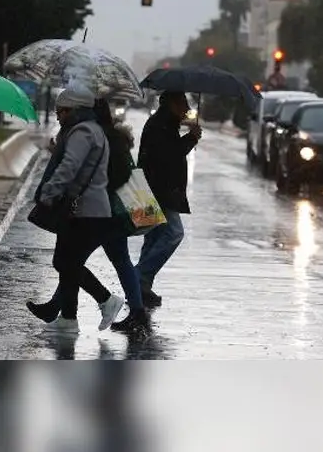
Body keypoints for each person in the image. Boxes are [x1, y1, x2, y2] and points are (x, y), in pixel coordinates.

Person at [27, 98, 150, 333]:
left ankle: (120, 307)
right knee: (80, 261)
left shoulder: (95, 136)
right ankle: (133, 311)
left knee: (71, 261)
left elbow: (99, 172)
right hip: (107, 212)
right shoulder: (104, 134)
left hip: (103, 213)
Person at [135, 91, 202, 307]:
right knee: (174, 233)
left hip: (154, 188)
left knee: (154, 237)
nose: (186, 108)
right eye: (183, 103)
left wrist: (189, 137)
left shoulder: (166, 123)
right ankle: (137, 277)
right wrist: (191, 138)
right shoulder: (160, 125)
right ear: (172, 104)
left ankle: (142, 287)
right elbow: (168, 156)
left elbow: (170, 153)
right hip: (158, 190)